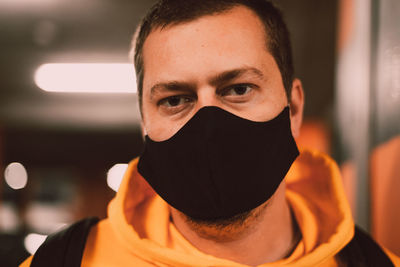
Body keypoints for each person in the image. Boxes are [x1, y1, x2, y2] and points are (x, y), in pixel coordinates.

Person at [21, 0, 400, 266]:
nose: (208, 125)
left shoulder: (374, 263)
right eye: (174, 99)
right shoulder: (63, 261)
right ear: (144, 123)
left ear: (294, 108)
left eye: (238, 89)